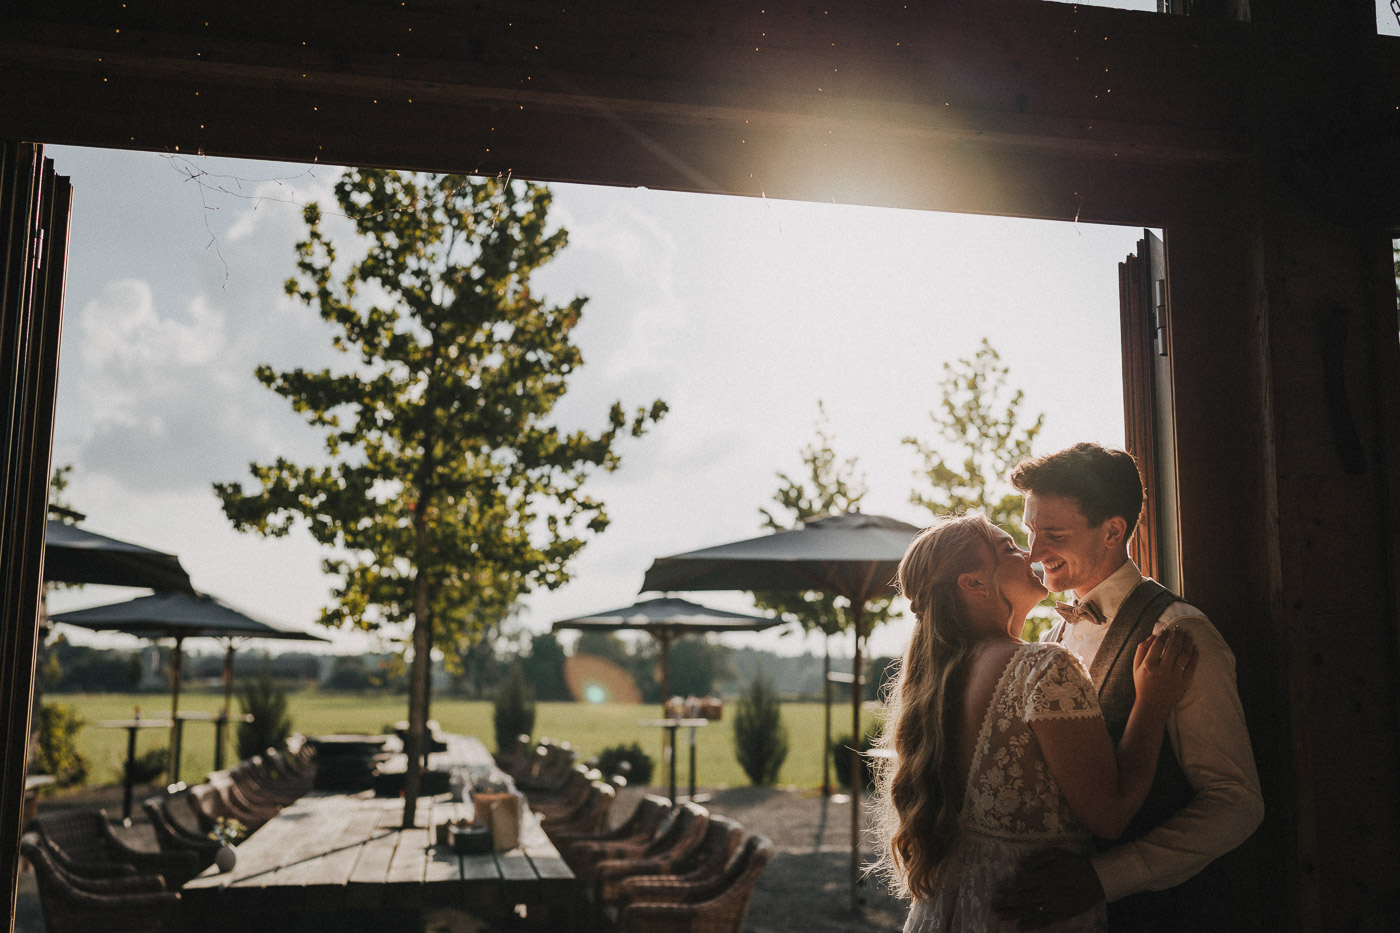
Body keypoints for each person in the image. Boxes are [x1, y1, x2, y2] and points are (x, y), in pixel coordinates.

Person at [873, 513, 1197, 932]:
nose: (1029, 554)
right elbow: (1111, 815)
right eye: (1008, 548)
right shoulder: (1042, 668)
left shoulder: (941, 680)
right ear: (973, 583)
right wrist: (1152, 703)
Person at [994, 442, 1264, 930]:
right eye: (1031, 531)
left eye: (1053, 534)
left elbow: (1235, 803)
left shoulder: (1181, 635)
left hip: (1155, 916)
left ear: (1113, 531)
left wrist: (1104, 878)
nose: (1033, 553)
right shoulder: (1052, 637)